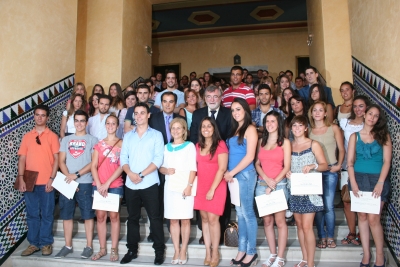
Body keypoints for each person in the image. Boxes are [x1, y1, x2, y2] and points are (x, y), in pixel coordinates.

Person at [120, 102, 165, 265]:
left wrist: (140, 174)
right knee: (132, 218)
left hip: (150, 183)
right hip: (131, 184)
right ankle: (132, 250)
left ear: (148, 115)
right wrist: (131, 174)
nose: (138, 116)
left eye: (142, 113)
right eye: (136, 113)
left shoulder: (156, 135)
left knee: (155, 218)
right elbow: (123, 159)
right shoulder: (128, 136)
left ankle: (159, 251)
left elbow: (158, 160)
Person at [347, 104, 391, 267]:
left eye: (376, 116)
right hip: (358, 178)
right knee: (363, 217)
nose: (372, 117)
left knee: (374, 218)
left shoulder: (383, 135)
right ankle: (366, 254)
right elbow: (350, 162)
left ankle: (380, 256)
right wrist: (353, 182)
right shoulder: (354, 136)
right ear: (364, 115)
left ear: (378, 119)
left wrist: (380, 182)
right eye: (370, 114)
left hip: (377, 179)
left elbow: (387, 161)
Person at [190, 85, 232, 245]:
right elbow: (194, 135)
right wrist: (201, 154)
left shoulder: (228, 114)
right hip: (203, 162)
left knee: (222, 203)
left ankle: (221, 231)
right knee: (203, 211)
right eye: (209, 96)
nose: (212, 99)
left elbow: (230, 136)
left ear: (221, 97)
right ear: (204, 98)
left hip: (221, 160)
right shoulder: (198, 114)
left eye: (215, 96)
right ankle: (204, 233)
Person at [18, 104, 60, 257]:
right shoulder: (27, 136)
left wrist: (52, 178)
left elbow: (56, 159)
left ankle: (46, 243)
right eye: (37, 115)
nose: (40, 117)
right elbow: (22, 158)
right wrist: (21, 178)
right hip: (29, 181)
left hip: (46, 181)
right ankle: (33, 244)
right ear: (34, 116)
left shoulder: (52, 136)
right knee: (32, 214)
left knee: (47, 214)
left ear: (47, 118)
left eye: (43, 115)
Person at [286, 115, 328, 267]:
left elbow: (324, 165)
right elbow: (285, 165)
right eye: (294, 126)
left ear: (305, 128)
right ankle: (304, 258)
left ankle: (311, 263)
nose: (297, 128)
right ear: (291, 128)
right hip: (295, 190)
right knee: (298, 224)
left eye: (300, 125)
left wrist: (313, 166)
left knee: (307, 226)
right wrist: (287, 173)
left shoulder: (313, 144)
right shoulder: (288, 145)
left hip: (310, 191)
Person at [55, 110, 98, 259]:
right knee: (66, 215)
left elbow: (94, 162)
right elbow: (61, 161)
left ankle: (88, 246)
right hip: (67, 182)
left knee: (87, 215)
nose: (79, 124)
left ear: (86, 122)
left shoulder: (93, 139)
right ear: (73, 123)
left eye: (82, 121)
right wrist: (69, 177)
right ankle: (67, 245)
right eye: (77, 121)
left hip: (85, 181)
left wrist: (77, 175)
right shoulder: (66, 140)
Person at [224, 98, 258, 267]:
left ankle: (251, 252)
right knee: (240, 215)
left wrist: (232, 172)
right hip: (234, 177)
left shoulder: (250, 129)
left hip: (244, 175)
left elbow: (250, 156)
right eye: (233, 110)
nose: (235, 113)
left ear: (245, 110)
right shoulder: (234, 128)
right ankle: (241, 249)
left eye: (238, 109)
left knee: (248, 214)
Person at [255, 111, 291, 267]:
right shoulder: (260, 142)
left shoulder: (285, 142)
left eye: (273, 121)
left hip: (279, 185)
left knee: (280, 221)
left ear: (279, 124)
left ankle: (281, 257)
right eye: (267, 121)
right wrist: (266, 179)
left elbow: (287, 167)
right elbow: (257, 164)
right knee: (267, 221)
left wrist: (273, 182)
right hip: (262, 185)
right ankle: (272, 254)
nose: (269, 124)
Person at [160, 118, 197, 265]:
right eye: (173, 128)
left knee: (185, 220)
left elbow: (193, 168)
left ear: (184, 130)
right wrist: (165, 170)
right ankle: (176, 249)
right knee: (173, 220)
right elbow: (161, 167)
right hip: (170, 188)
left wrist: (189, 186)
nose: (175, 131)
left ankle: (183, 250)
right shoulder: (166, 147)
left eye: (178, 128)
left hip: (184, 188)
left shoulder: (189, 146)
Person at [308, 101, 345, 249]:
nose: (317, 112)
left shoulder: (333, 128)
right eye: (314, 110)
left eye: (320, 110)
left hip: (330, 171)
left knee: (328, 205)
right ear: (311, 113)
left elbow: (342, 149)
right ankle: (321, 236)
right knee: (318, 206)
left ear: (325, 113)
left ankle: (330, 236)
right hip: (315, 172)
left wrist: (339, 166)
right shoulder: (308, 130)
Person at [195, 117, 228, 267]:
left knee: (213, 219)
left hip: (216, 185)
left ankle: (215, 252)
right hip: (201, 185)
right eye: (203, 126)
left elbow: (222, 169)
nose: (206, 129)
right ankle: (207, 251)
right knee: (205, 219)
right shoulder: (197, 146)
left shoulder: (220, 145)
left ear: (214, 128)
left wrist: (212, 189)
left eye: (209, 126)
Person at [90, 115, 123, 262]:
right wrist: (98, 184)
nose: (110, 126)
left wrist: (107, 183)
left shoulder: (122, 144)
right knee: (101, 216)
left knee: (114, 217)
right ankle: (102, 248)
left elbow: (122, 166)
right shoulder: (99, 144)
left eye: (113, 123)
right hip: (98, 185)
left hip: (114, 185)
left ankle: (114, 249)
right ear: (105, 126)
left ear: (117, 126)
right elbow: (93, 166)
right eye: (108, 123)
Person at [339, 95, 371, 247]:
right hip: (347, 166)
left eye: (361, 106)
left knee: (361, 202)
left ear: (367, 108)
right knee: (347, 201)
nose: (358, 109)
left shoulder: (371, 125)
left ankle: (361, 233)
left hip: (363, 168)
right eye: (355, 106)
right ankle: (352, 232)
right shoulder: (345, 123)